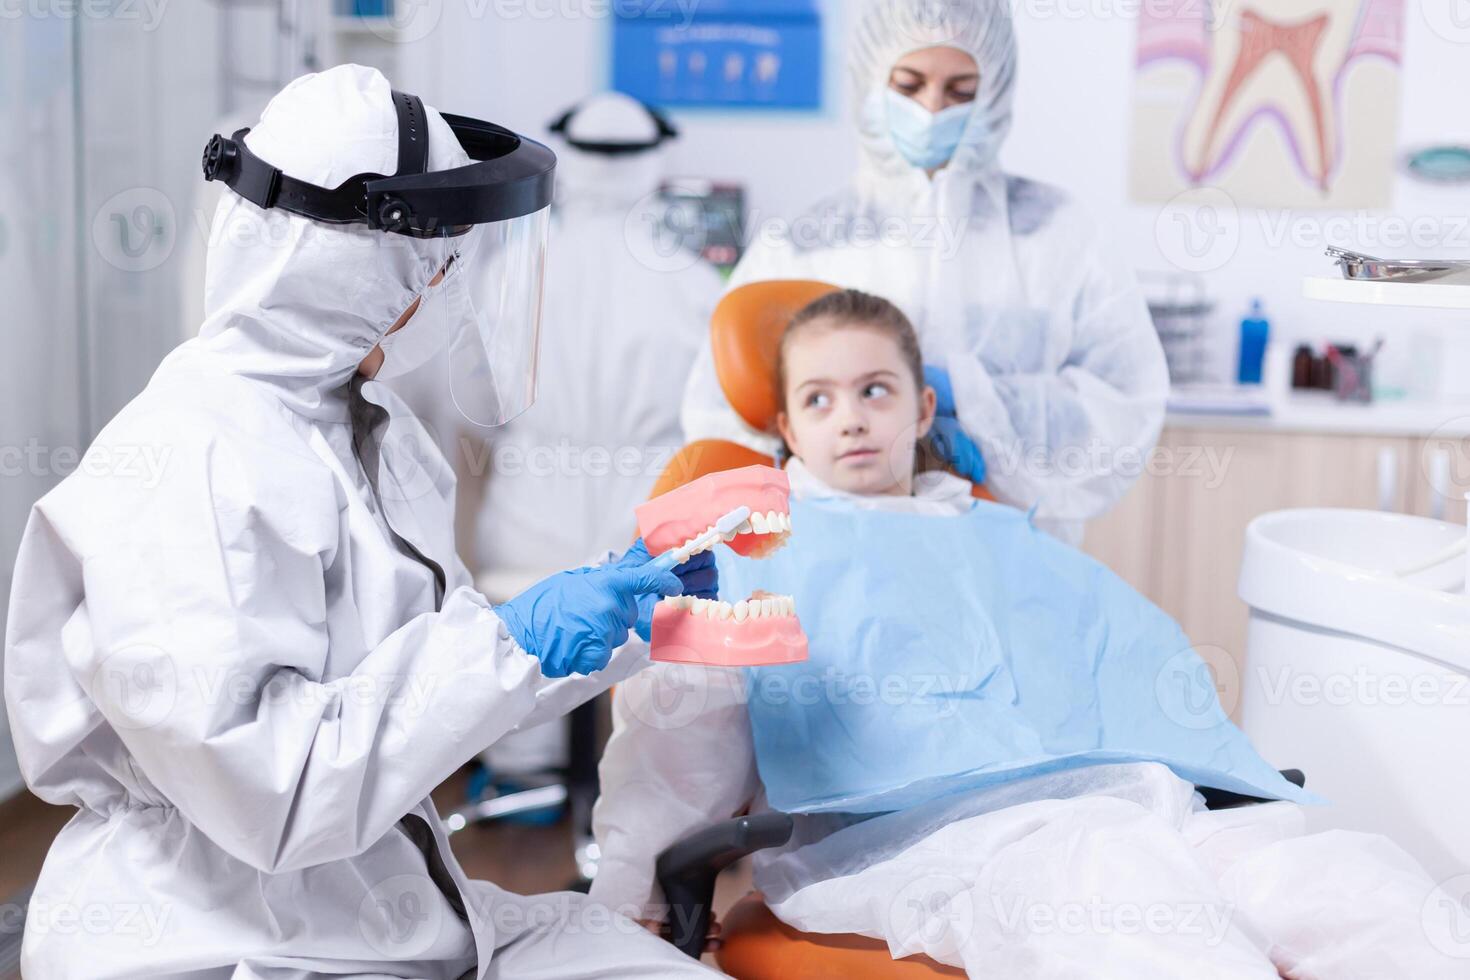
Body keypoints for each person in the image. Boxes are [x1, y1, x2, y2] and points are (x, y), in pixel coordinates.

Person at [3, 65, 721, 979]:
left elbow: (437, 679)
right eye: (440, 265)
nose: (452, 292)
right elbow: (277, 791)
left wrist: (619, 622)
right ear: (353, 269)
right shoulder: (192, 459)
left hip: (376, 904)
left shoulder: (368, 430)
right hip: (223, 939)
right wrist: (512, 642)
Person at [592, 289, 1462, 977]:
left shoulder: (998, 534)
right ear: (785, 429)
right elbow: (679, 737)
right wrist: (633, 898)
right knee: (1130, 905)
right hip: (919, 843)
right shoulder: (757, 555)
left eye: (875, 390)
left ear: (923, 408)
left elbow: (1120, 669)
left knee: (1353, 885)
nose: (851, 417)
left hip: (1131, 801)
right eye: (819, 399)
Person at [680, 0, 1171, 545]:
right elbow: (723, 418)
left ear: (997, 91)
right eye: (909, 85)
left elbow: (1125, 409)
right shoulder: (802, 245)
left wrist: (976, 402)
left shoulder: (1057, 235)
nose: (933, 109)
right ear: (871, 80)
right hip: (841, 559)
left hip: (1012, 559)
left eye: (960, 91)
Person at [459, 93, 725, 788]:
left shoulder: (508, 269)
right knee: (645, 670)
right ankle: (632, 792)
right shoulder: (694, 280)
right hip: (642, 514)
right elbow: (713, 416)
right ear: (655, 161)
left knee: (526, 660)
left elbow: (475, 405)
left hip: (529, 507)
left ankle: (529, 784)